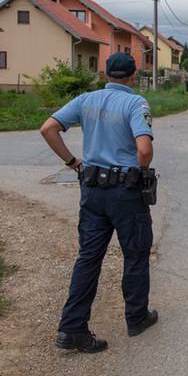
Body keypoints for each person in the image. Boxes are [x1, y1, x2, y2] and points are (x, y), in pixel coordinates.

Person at [40, 52, 158, 353]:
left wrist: (72, 162)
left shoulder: (85, 100)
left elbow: (48, 128)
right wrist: (139, 173)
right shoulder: (135, 103)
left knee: (89, 258)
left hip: (92, 189)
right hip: (126, 192)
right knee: (135, 253)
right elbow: (144, 149)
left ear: (106, 74)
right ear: (133, 76)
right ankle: (136, 318)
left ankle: (72, 330)